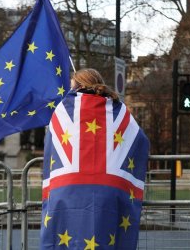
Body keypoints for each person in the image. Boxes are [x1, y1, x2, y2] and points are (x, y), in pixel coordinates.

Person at [40, 68, 150, 249]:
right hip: (110, 191)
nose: (70, 88)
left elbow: (51, 141)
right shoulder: (118, 109)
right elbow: (141, 141)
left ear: (80, 85)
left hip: (67, 191)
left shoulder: (65, 107)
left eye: (72, 84)